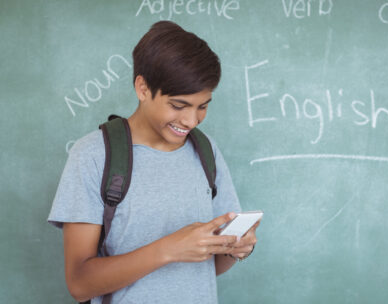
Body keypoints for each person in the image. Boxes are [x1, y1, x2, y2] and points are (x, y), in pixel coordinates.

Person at [48, 21, 259, 304]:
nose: (191, 121)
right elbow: (80, 283)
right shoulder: (92, 156)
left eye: (203, 106)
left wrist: (235, 249)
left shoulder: (206, 151)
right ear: (143, 88)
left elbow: (210, 267)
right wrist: (169, 249)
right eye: (178, 106)